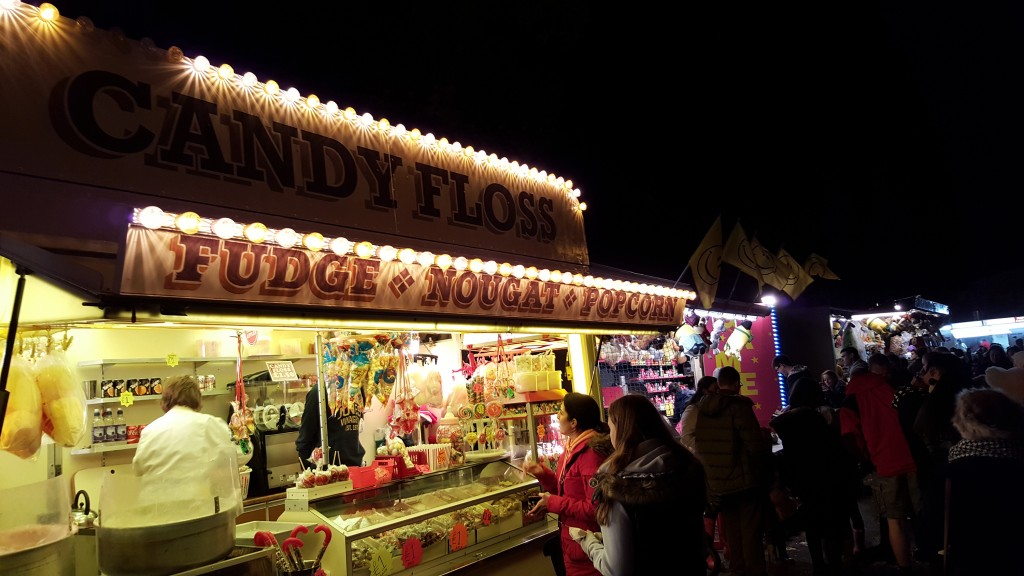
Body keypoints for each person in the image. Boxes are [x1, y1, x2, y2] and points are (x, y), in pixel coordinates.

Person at [573, 394, 708, 576]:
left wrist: (588, 542)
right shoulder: (687, 467)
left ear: (621, 431)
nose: (609, 434)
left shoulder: (617, 487)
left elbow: (616, 569)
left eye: (611, 427)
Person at [839, 368, 920, 576]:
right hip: (914, 457)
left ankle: (905, 567)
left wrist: (864, 459)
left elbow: (850, 437)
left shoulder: (850, 401)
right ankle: (931, 557)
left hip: (883, 464)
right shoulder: (892, 386)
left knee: (895, 520)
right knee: (922, 514)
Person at [693, 365, 773, 576]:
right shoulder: (739, 407)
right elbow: (754, 445)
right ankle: (755, 571)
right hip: (744, 480)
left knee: (732, 531)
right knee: (751, 531)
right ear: (737, 384)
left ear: (719, 384)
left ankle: (738, 569)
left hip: (719, 482)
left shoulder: (703, 410)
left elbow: (700, 444)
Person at [525, 392, 612, 576]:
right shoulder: (572, 448)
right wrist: (543, 474)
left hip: (590, 547)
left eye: (561, 412)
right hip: (573, 543)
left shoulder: (591, 455)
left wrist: (553, 503)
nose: (557, 416)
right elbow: (565, 491)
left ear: (573, 423)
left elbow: (596, 509)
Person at [945, 388, 1024, 575]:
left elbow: (931, 529)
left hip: (969, 560)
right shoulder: (1018, 461)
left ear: (963, 423)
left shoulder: (951, 472)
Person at [132, 375, 239, 500]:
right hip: (192, 504)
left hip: (154, 505)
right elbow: (239, 454)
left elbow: (138, 470)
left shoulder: (149, 430)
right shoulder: (208, 424)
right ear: (197, 398)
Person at [296, 383, 365, 468]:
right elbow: (305, 436)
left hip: (355, 464)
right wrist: (308, 470)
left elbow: (357, 425)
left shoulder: (358, 387)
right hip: (328, 469)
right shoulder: (319, 392)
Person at [680, 375, 717, 453]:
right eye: (715, 389)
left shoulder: (716, 407)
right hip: (702, 454)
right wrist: (707, 447)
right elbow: (686, 437)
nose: (718, 392)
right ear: (704, 391)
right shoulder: (693, 409)